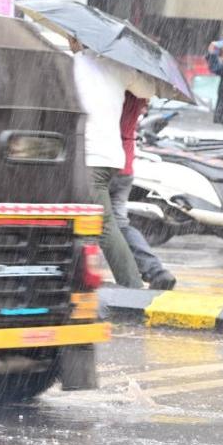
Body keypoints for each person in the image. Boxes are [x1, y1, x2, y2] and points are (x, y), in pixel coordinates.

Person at [69, 37, 149, 289]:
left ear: (76, 39)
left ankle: (132, 284)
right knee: (84, 220)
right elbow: (147, 90)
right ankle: (77, 278)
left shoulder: (73, 64)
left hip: (89, 156)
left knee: (103, 224)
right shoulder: (119, 67)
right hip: (112, 156)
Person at [110, 90, 178, 291]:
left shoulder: (113, 91)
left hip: (105, 163)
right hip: (126, 166)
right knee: (120, 225)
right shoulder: (140, 91)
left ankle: (128, 279)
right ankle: (155, 271)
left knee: (94, 225)